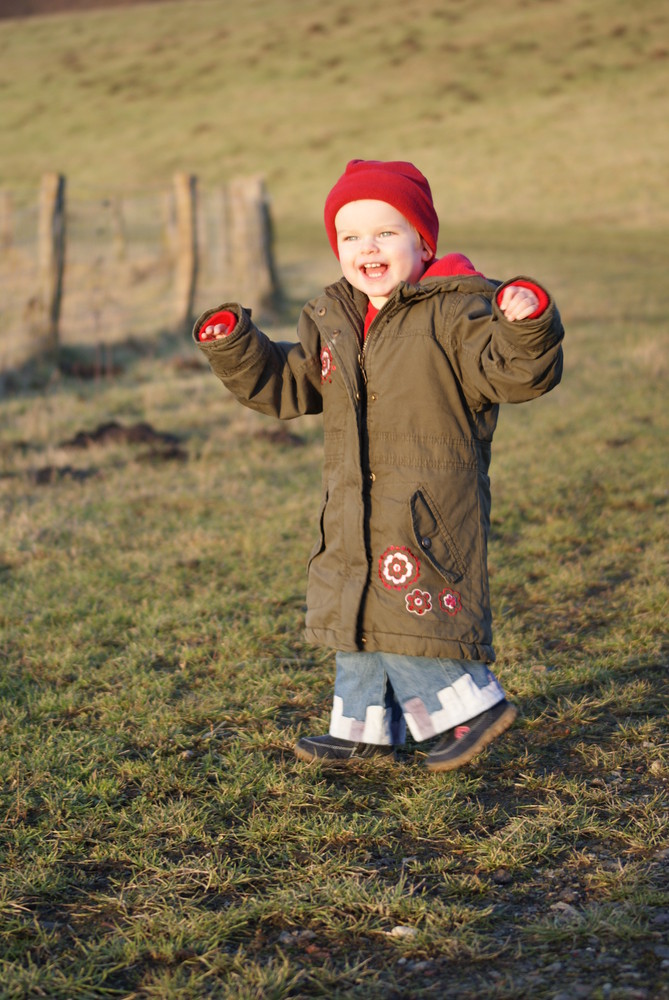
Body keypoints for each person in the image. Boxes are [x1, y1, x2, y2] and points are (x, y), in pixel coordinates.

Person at [194, 159, 564, 772]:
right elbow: (290, 384)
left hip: (427, 504)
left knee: (408, 602)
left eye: (386, 233)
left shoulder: (453, 312)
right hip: (353, 498)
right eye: (350, 236)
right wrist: (236, 346)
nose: (367, 248)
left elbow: (511, 370)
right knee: (355, 604)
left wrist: (524, 326)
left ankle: (470, 707)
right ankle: (366, 725)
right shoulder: (335, 319)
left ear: (423, 241)